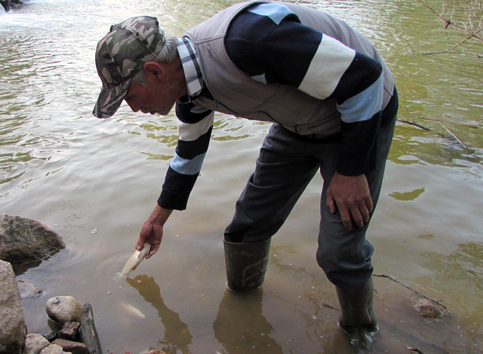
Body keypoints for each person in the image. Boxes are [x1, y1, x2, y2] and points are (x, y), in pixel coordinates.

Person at [92, 0, 398, 347]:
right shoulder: (190, 92)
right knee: (244, 230)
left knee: (338, 253)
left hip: (359, 116)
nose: (134, 108)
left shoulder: (248, 41)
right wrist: (158, 218)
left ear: (155, 71)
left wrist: (351, 170)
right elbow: (188, 156)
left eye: (130, 96)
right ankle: (243, 313)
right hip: (297, 123)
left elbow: (364, 78)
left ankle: (359, 333)